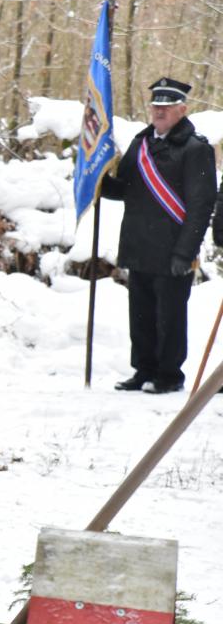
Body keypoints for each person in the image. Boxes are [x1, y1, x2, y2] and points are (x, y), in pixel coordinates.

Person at [103, 78, 217, 394]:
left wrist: (185, 252)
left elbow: (201, 206)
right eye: (156, 106)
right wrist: (98, 182)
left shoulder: (197, 149)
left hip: (172, 250)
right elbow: (126, 189)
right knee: (141, 315)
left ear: (182, 110)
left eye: (167, 107)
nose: (159, 111)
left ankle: (168, 375)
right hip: (139, 245)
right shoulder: (140, 144)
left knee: (170, 318)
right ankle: (144, 370)